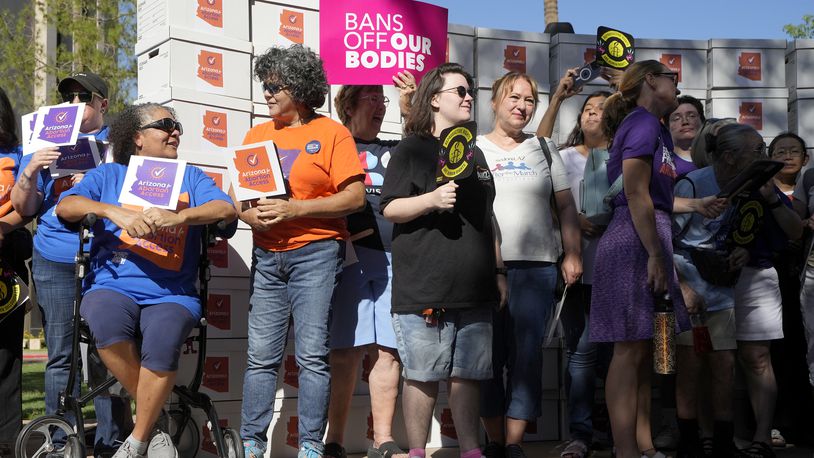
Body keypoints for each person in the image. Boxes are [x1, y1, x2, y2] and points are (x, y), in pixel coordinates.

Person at [56, 102, 238, 458]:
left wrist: (180, 216)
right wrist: (112, 210)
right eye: (165, 125)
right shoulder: (109, 176)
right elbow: (66, 206)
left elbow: (226, 210)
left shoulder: (190, 176)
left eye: (178, 126)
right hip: (112, 285)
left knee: (164, 335)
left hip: (172, 292)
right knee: (104, 320)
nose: (175, 132)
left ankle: (137, 440)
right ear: (137, 137)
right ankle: (156, 423)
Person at [588, 60, 724, 458]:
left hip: (649, 235)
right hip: (635, 240)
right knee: (628, 350)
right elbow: (634, 194)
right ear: (650, 81)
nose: (677, 85)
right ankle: (625, 449)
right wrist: (653, 254)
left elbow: (655, 197)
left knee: (646, 349)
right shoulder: (643, 123)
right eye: (672, 78)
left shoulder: (655, 127)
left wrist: (696, 204)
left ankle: (644, 446)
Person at [236, 44, 366, 458]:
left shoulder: (332, 133)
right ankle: (252, 443)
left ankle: (310, 444)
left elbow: (355, 198)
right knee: (260, 357)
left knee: (311, 355)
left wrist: (297, 208)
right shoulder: (256, 134)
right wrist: (247, 217)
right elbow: (241, 196)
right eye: (264, 84)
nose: (267, 92)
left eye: (275, 85)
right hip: (267, 256)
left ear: (301, 87)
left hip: (316, 253)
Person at [380, 62, 506, 458]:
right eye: (460, 91)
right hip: (425, 286)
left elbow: (489, 219)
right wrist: (431, 200)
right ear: (434, 100)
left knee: (469, 376)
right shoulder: (412, 148)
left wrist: (499, 271)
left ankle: (471, 451)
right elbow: (390, 209)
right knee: (422, 375)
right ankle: (417, 451)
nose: (469, 97)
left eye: (470, 92)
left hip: (476, 287)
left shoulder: (477, 155)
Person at [10, 71, 133, 457]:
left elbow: (134, 201)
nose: (75, 103)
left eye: (85, 96)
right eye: (69, 96)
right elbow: (23, 208)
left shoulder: (118, 146)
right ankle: (60, 440)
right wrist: (30, 171)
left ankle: (111, 441)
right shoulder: (42, 145)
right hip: (54, 259)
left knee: (107, 351)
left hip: (106, 260)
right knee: (61, 355)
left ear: (103, 104)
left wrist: (97, 182)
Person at [476, 71, 582, 458]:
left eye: (530, 101)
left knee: (527, 357)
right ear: (494, 101)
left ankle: (515, 444)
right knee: (485, 358)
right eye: (514, 97)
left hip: (537, 269)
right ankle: (493, 442)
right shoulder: (471, 148)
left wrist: (573, 253)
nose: (522, 106)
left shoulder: (544, 147)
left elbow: (566, 205)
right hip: (483, 269)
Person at [323, 74, 415, 458]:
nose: (380, 105)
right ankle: (334, 441)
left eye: (384, 100)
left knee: (387, 351)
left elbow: (424, 149)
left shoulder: (395, 147)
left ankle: (383, 440)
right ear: (348, 105)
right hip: (347, 257)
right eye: (371, 98)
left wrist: (408, 103)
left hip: (395, 256)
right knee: (345, 351)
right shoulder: (332, 144)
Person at [672, 123, 768, 458]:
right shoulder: (692, 185)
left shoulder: (746, 188)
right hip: (690, 289)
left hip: (722, 288)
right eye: (757, 151)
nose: (763, 157)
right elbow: (664, 241)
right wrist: (682, 288)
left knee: (724, 366)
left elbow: (739, 233)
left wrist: (744, 250)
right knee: (690, 368)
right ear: (729, 156)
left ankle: (724, 443)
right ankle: (689, 443)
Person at [540, 70, 614, 457]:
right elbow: (537, 148)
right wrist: (557, 98)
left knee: (615, 355)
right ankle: (581, 434)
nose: (592, 113)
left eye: (602, 108)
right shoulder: (564, 157)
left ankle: (619, 429)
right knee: (581, 353)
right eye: (587, 108)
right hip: (577, 270)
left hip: (617, 271)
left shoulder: (624, 159)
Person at [767, 132, 813, 448]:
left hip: (805, 277)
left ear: (805, 158)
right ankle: (777, 423)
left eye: (793, 150)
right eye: (780, 150)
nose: (787, 155)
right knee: (778, 353)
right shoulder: (764, 190)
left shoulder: (809, 186)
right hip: (777, 279)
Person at [0, 86, 32, 457]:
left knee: (6, 354)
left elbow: (27, 205)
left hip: (6, 255)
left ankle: (7, 441)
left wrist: (3, 229)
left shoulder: (18, 155)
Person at [664, 95, 704, 178]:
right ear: (667, 126)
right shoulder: (662, 163)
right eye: (677, 118)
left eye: (691, 116)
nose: (685, 121)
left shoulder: (716, 158)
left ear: (702, 120)